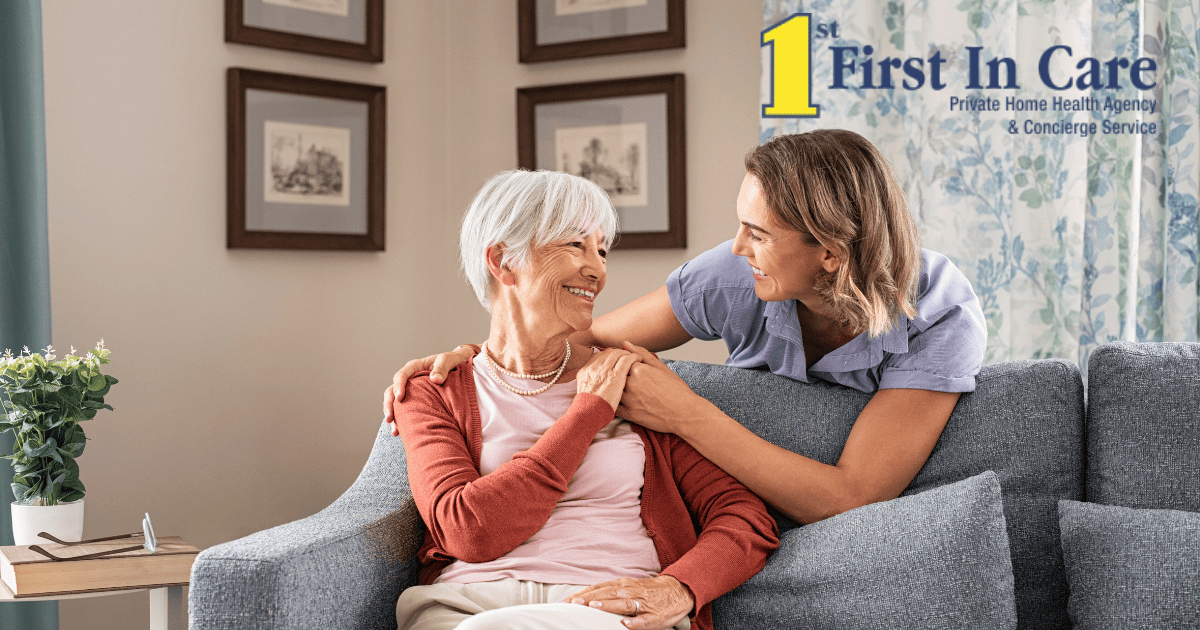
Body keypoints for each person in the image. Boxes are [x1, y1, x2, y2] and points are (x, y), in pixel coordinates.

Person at [386, 129, 987, 526]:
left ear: (830, 252)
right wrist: (476, 358)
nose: (736, 246)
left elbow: (854, 497)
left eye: (759, 233)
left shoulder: (938, 312)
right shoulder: (734, 275)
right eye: (740, 224)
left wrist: (683, 412)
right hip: (731, 508)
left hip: (839, 523)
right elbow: (575, 342)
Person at [391, 169, 778, 630]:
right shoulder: (431, 390)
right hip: (466, 607)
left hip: (604, 612)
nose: (597, 269)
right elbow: (467, 531)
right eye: (575, 245)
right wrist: (586, 414)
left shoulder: (631, 383)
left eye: (601, 250)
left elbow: (745, 518)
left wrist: (680, 589)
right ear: (502, 261)